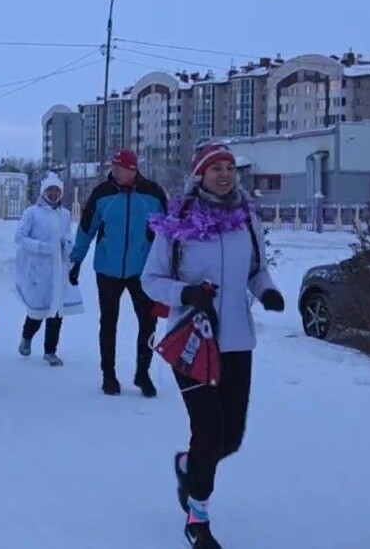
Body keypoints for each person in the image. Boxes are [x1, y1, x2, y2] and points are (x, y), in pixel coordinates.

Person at [141, 143, 283, 549]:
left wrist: (267, 291)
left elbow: (258, 270)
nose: (224, 174)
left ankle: (190, 467)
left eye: (229, 168)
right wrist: (186, 294)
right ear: (199, 175)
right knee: (208, 427)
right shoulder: (178, 220)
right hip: (191, 339)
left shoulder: (246, 220)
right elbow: (151, 280)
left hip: (236, 341)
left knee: (231, 437)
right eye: (215, 168)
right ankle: (197, 517)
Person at [69, 149, 168, 396]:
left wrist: (170, 267)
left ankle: (143, 373)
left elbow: (167, 233)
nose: (114, 172)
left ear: (132, 169)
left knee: (149, 322)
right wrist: (76, 260)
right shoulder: (103, 194)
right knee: (108, 322)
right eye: (113, 167)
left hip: (143, 271)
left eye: (119, 168)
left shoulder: (152, 195)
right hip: (107, 269)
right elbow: (86, 228)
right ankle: (108, 375)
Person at [14, 172, 74, 367]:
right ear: (43, 192)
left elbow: (66, 236)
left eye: (57, 190)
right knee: (37, 311)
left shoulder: (64, 214)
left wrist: (68, 245)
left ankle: (50, 351)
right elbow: (20, 238)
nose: (54, 194)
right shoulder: (32, 213)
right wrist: (41, 247)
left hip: (58, 270)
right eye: (50, 190)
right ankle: (27, 337)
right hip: (38, 271)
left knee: (57, 311)